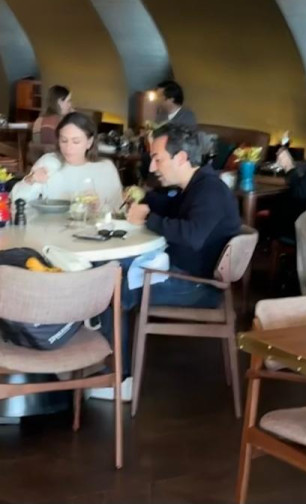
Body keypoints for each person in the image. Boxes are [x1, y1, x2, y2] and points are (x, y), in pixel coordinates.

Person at [90, 123, 239, 402]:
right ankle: (102, 364)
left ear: (181, 157)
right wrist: (146, 199)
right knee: (109, 270)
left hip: (199, 286)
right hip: (183, 273)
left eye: (158, 159)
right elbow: (171, 205)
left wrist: (148, 218)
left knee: (111, 287)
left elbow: (192, 235)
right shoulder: (195, 186)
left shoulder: (210, 191)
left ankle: (117, 379)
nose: (152, 167)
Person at [11, 111, 122, 204]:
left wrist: (97, 209)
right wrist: (31, 180)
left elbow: (117, 209)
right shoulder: (49, 162)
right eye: (64, 141)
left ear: (89, 142)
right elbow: (16, 201)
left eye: (76, 142)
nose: (68, 148)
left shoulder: (105, 169)